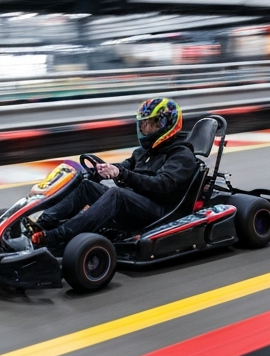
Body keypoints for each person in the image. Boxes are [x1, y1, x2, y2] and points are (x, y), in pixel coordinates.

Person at [31, 97, 198, 251]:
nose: (143, 128)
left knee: (116, 194)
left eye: (148, 124)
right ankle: (42, 224)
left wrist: (123, 174)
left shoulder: (181, 155)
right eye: (142, 123)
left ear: (164, 124)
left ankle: (55, 237)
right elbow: (124, 166)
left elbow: (161, 185)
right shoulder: (143, 152)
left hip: (159, 210)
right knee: (86, 186)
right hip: (135, 203)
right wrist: (104, 170)